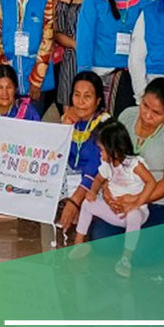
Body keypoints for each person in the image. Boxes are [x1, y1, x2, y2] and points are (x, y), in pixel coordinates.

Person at [90, 78, 164, 266]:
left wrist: (137, 200)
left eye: (156, 113)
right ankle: (133, 235)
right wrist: (106, 189)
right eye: (145, 106)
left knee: (138, 255)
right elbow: (110, 156)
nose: (147, 116)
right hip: (124, 198)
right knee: (101, 242)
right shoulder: (127, 116)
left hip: (163, 205)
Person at [69, 120, 157, 278]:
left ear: (114, 149)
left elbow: (151, 182)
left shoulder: (134, 165)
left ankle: (126, 258)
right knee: (87, 204)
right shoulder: (107, 164)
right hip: (113, 210)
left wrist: (136, 203)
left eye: (102, 150)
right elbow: (98, 179)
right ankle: (78, 243)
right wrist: (93, 191)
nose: (100, 154)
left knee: (134, 216)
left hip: (133, 212)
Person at [76, 0, 152, 117]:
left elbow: (150, 39)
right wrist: (84, 79)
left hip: (135, 78)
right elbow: (85, 41)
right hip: (102, 76)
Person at [57, 71, 112, 231]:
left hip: (95, 182)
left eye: (87, 96)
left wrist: (75, 200)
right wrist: (64, 129)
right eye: (77, 95)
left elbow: (95, 165)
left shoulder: (105, 124)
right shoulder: (69, 119)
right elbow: (57, 155)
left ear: (98, 100)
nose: (80, 102)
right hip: (71, 179)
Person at [55, 0, 98, 113]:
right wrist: (76, 44)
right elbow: (57, 32)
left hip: (98, 58)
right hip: (72, 58)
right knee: (70, 113)